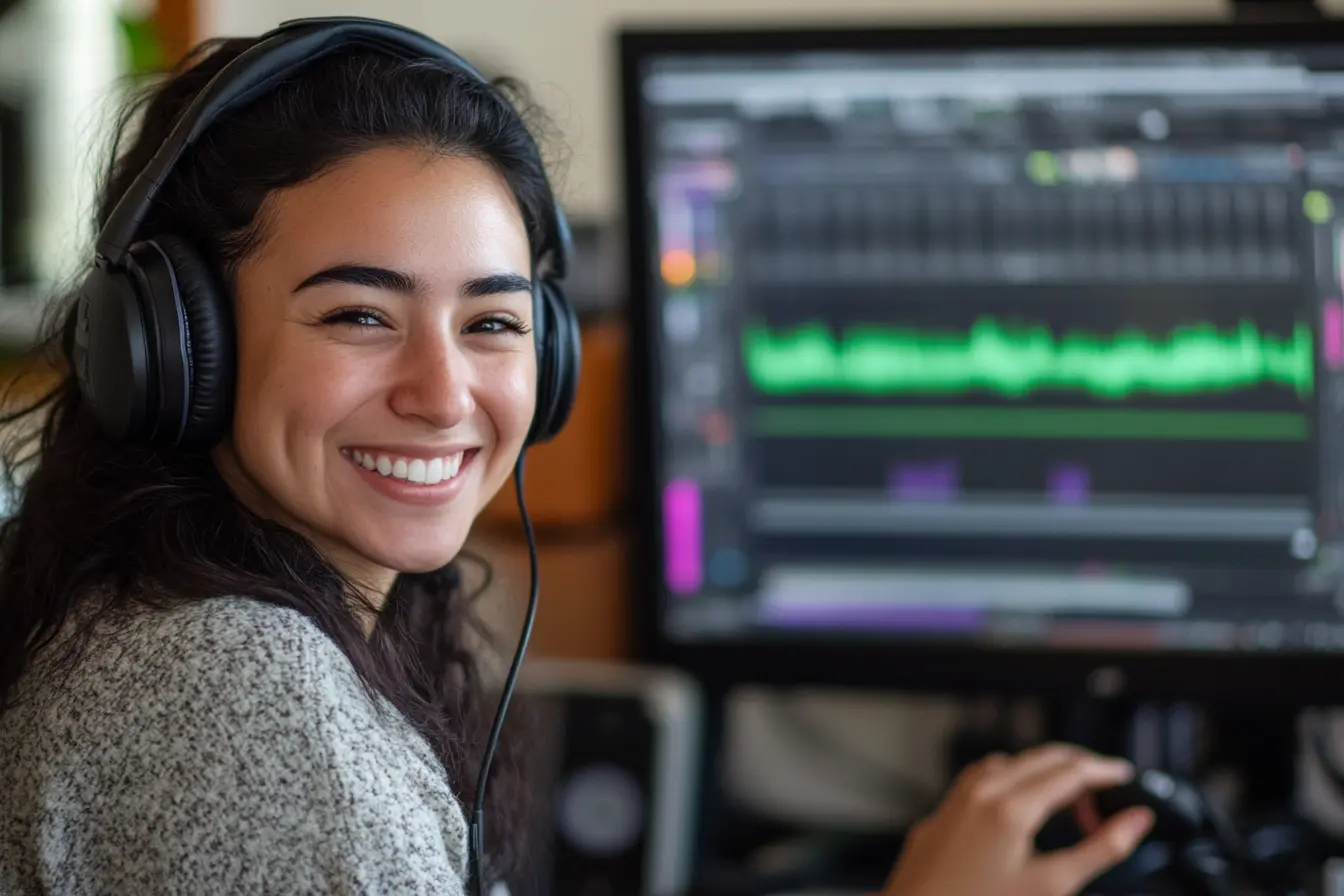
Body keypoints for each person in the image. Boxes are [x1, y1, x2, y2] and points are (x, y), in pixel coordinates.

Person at [0, 18, 1155, 896]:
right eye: (359, 314)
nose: (444, 392)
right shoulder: (234, 694)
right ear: (170, 345)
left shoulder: (180, 617)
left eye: (493, 321)